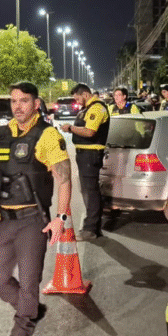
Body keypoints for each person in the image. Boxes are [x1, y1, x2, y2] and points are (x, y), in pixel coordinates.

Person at [0, 82, 72, 336]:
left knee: (29, 285)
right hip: (2, 221)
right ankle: (31, 311)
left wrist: (60, 218)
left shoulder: (47, 136)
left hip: (32, 222)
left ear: (36, 103)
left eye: (24, 101)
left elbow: (64, 179)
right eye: (13, 101)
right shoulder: (1, 135)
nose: (17, 106)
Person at [60, 82, 110, 240]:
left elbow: (90, 131)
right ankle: (93, 226)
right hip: (84, 154)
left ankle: (90, 229)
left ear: (85, 94)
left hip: (91, 154)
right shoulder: (87, 108)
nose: (77, 102)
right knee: (87, 191)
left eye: (77, 98)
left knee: (90, 191)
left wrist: (70, 128)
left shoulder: (96, 108)